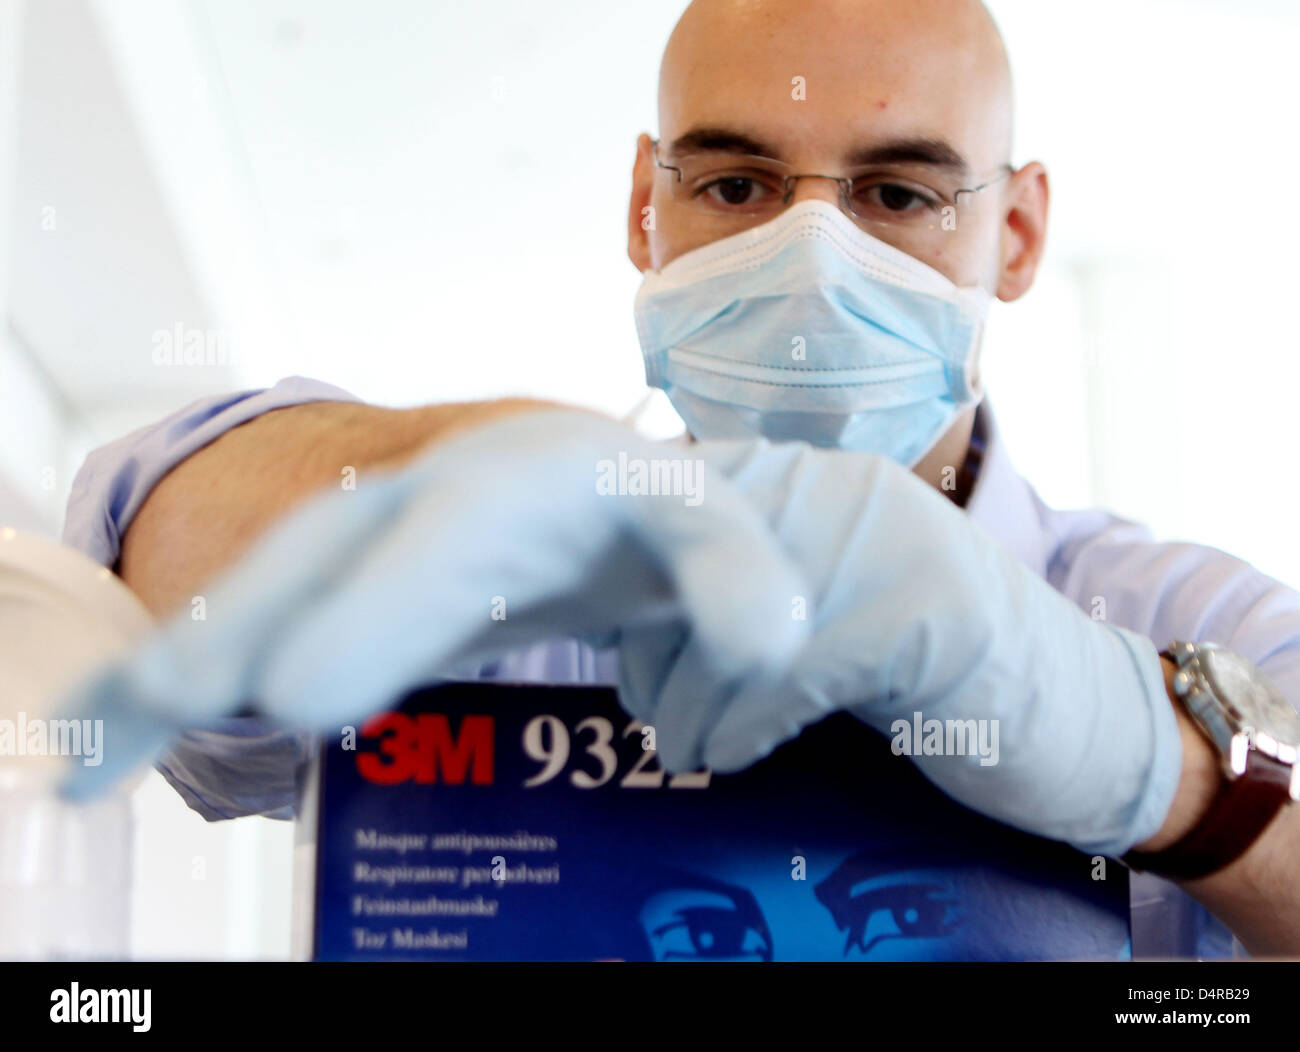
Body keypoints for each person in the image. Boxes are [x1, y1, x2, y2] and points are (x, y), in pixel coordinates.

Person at [57, 0, 1300, 960]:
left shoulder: (1207, 633)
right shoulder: (500, 603)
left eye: (898, 192)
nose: (811, 256)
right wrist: (424, 463)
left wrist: (1152, 756)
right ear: (646, 213)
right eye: (736, 185)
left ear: (1015, 234)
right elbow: (148, 542)